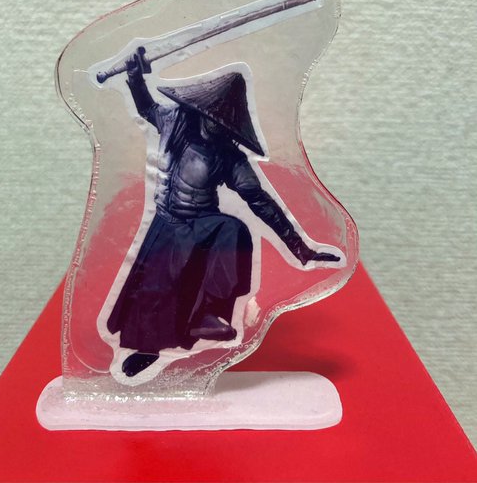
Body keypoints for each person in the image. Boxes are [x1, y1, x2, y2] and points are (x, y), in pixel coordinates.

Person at [106, 52, 340, 377]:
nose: (216, 124)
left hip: (201, 225)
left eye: (224, 121)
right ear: (202, 110)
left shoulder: (229, 157)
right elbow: (147, 109)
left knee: (233, 230)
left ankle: (211, 313)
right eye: (213, 117)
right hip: (166, 224)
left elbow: (260, 201)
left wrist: (301, 249)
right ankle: (146, 350)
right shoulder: (177, 124)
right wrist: (134, 77)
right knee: (155, 294)